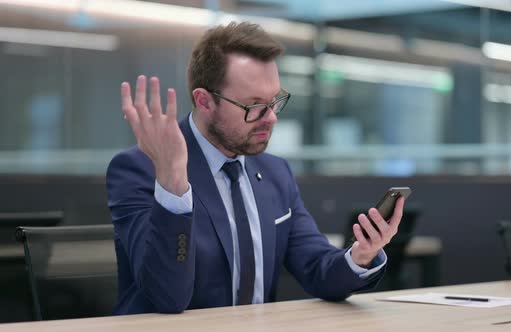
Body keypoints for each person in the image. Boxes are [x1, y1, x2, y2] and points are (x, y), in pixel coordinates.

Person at [107, 21, 405, 315]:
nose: (271, 118)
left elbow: (317, 268)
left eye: (275, 100)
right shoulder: (139, 169)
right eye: (254, 106)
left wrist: (361, 256)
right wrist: (172, 180)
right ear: (205, 101)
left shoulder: (275, 173)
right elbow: (168, 298)